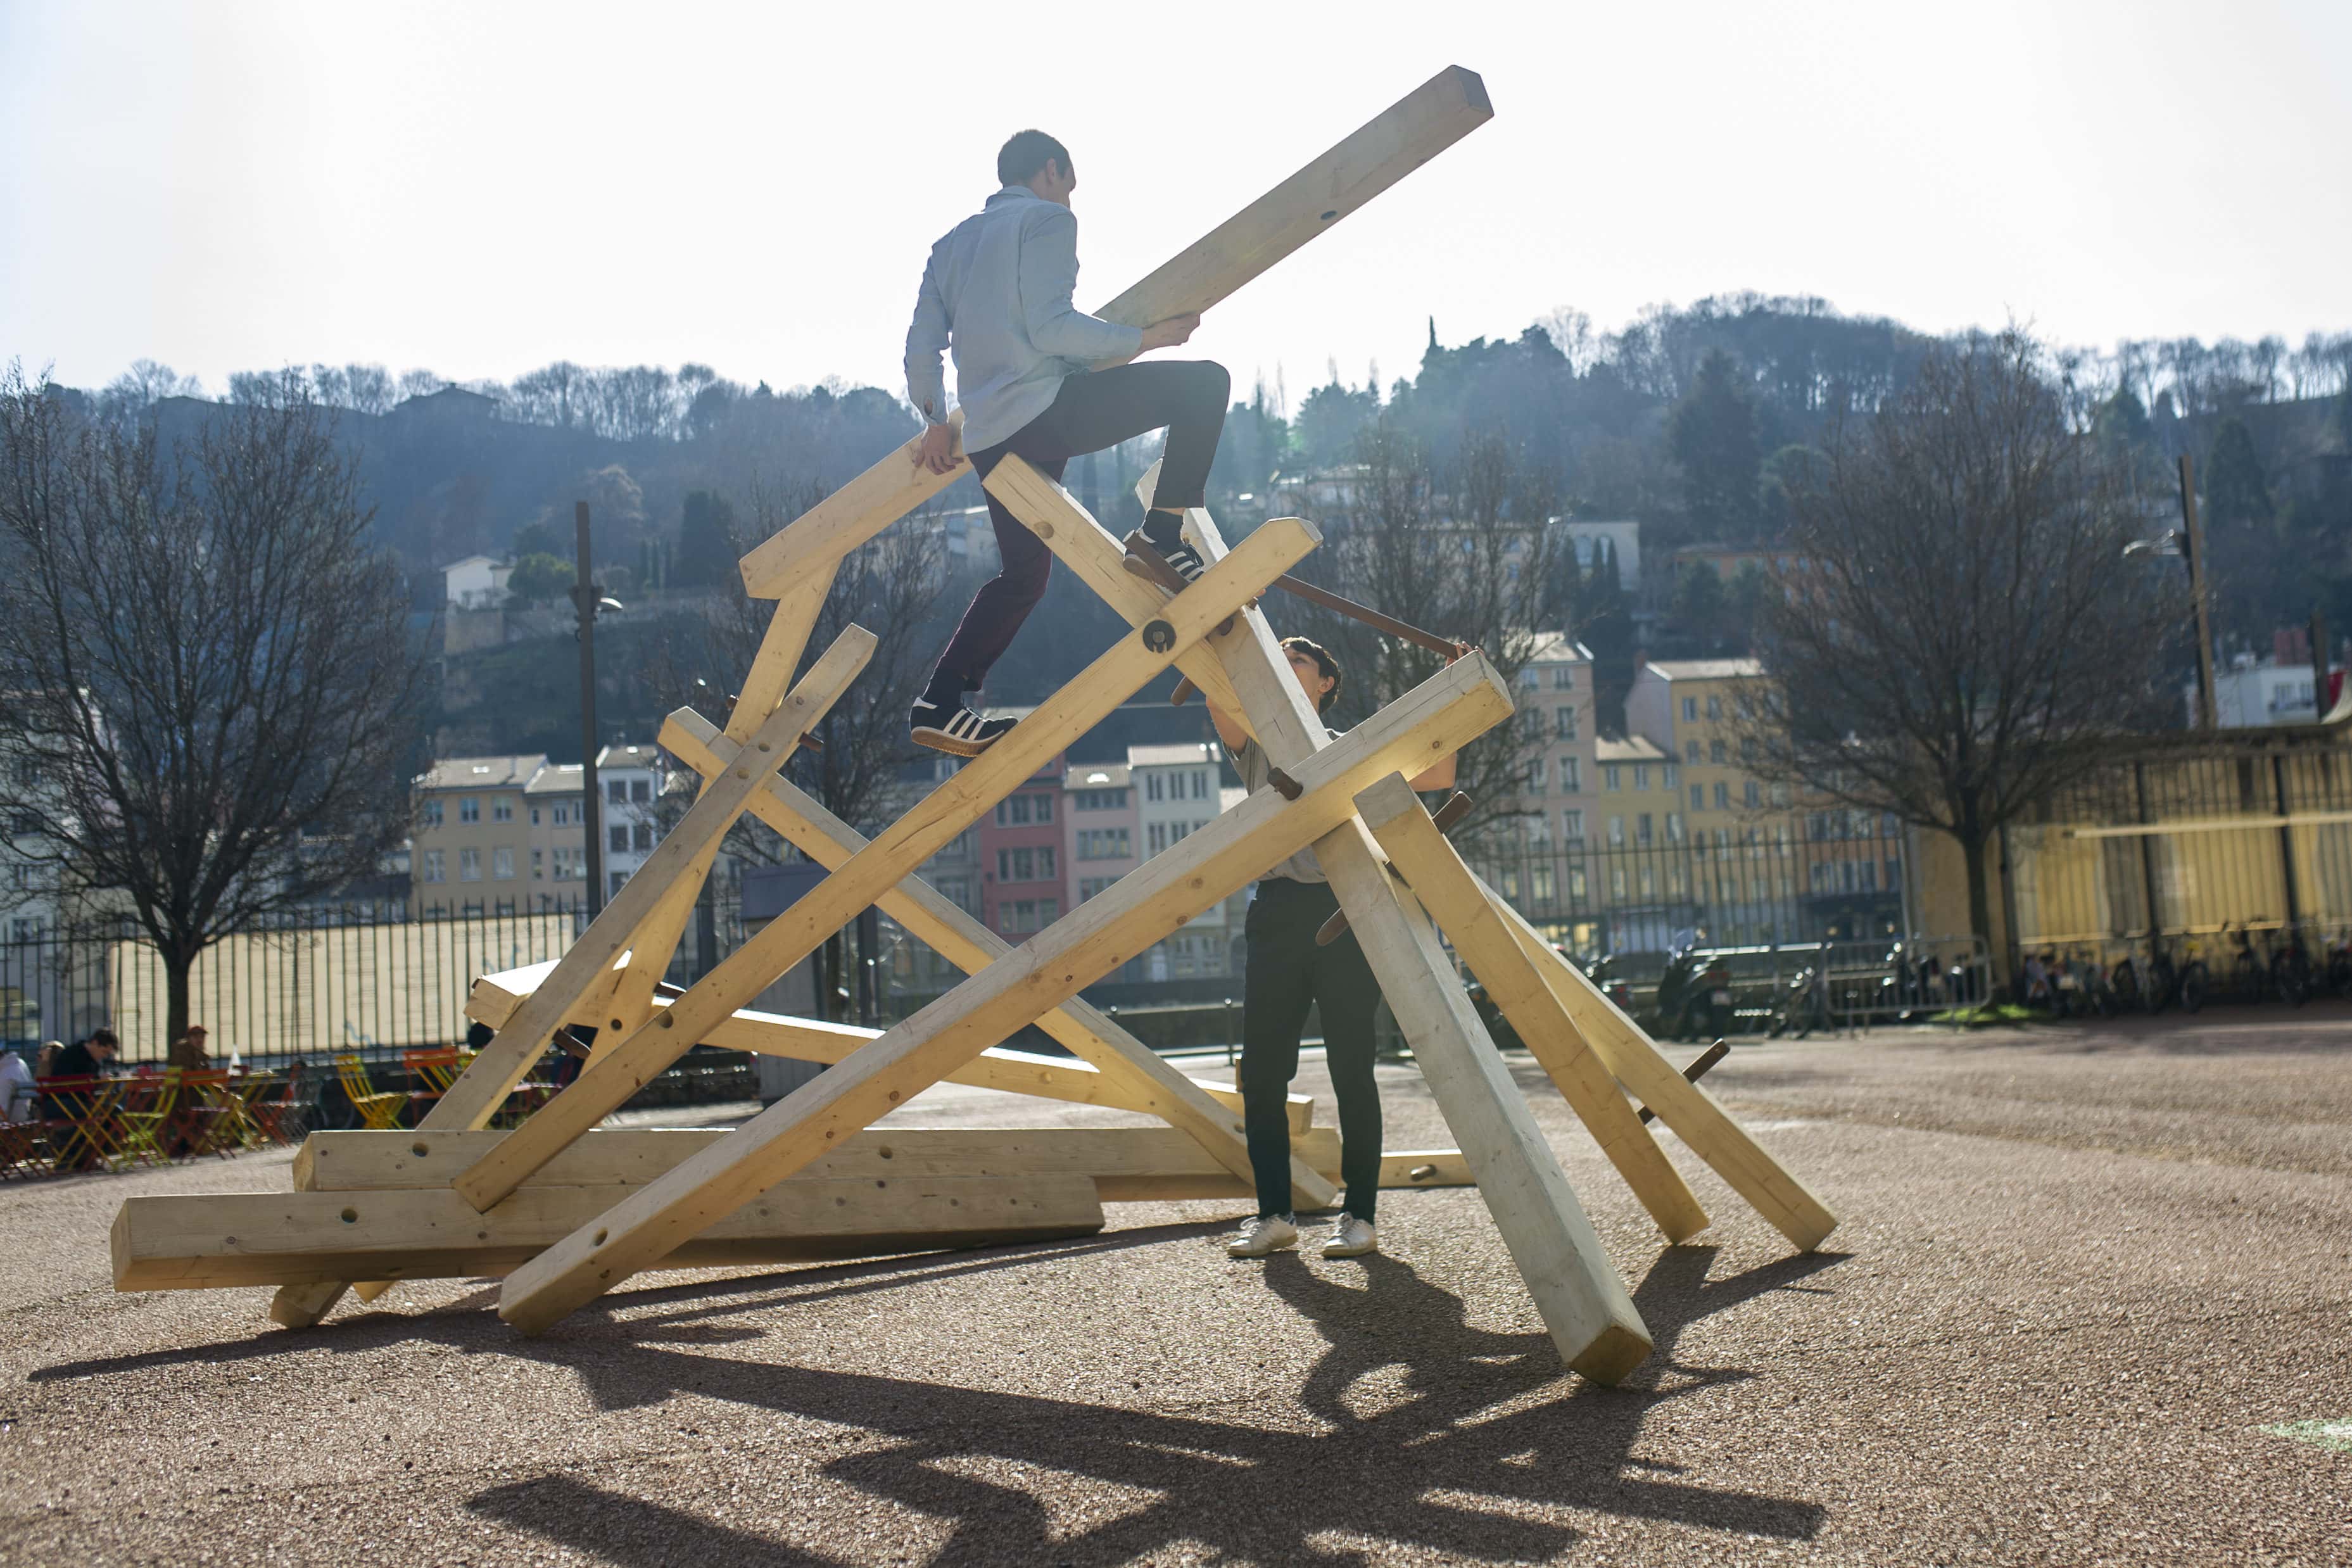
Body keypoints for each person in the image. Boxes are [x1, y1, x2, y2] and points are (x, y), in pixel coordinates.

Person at [904, 128, 1227, 757]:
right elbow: (1052, 328)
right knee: (1205, 386)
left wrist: (934, 417)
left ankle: (939, 702)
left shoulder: (949, 247)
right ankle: (1161, 535)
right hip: (1047, 411)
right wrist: (1147, 338)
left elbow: (922, 347)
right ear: (1050, 171)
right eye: (1070, 187)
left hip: (992, 440)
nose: (1072, 203)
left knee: (1024, 577)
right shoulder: (1046, 221)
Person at [1207, 636, 1458, 1261]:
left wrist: (1453, 684)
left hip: (1348, 910)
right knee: (1262, 1074)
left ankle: (1361, 1216)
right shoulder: (1258, 744)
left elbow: (1441, 774)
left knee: (1353, 1068)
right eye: (1278, 657)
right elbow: (1216, 692)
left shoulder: (1352, 748)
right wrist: (1221, 625)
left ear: (1326, 682)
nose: (1285, 665)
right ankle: (1274, 1215)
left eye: (1299, 659)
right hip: (1277, 915)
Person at [0, 1046, 35, 1123]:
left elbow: (2, 1111)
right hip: (27, 1119)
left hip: (10, 1123)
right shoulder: (20, 1063)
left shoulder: (5, 1075)